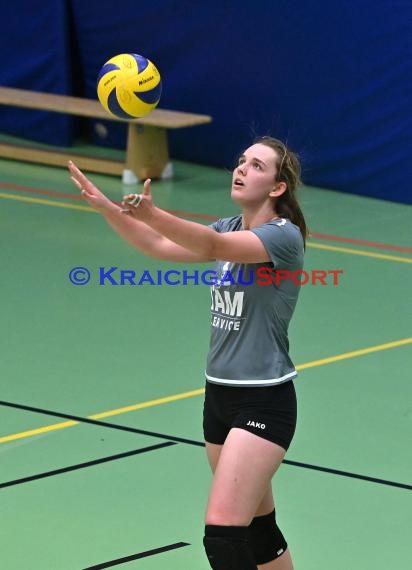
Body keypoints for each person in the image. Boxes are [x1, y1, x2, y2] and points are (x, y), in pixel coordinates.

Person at [68, 136, 307, 570]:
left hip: (263, 399)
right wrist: (106, 207)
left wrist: (154, 211)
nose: (241, 168)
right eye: (241, 160)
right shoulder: (229, 227)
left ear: (277, 187)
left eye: (256, 165)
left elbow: (210, 248)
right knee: (258, 530)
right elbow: (159, 246)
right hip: (218, 396)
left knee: (222, 531)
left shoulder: (282, 237)